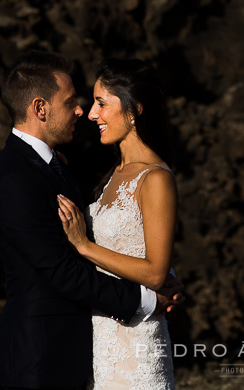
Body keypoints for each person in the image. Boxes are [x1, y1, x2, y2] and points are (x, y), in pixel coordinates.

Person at [0, 51, 183, 390]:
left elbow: (134, 245)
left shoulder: (55, 167)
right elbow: (62, 270)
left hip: (97, 350)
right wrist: (149, 299)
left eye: (97, 103)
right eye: (71, 101)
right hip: (41, 358)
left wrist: (164, 275)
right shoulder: (16, 179)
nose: (84, 112)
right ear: (39, 108)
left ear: (134, 110)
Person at [56, 57, 177, 390]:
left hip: (137, 345)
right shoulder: (114, 175)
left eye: (100, 103)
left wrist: (84, 245)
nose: (91, 113)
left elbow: (154, 271)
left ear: (134, 109)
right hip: (102, 339)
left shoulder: (156, 178)